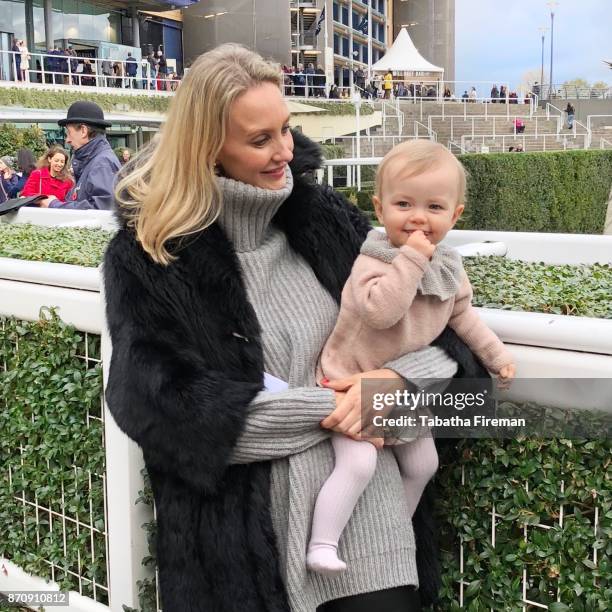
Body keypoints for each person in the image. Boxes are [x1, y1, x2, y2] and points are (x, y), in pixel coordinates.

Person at [103, 44, 485, 612]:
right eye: (260, 139)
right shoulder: (149, 256)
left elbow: (445, 336)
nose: (284, 151)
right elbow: (162, 410)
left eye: (287, 129)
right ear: (207, 147)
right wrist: (332, 409)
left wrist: (395, 389)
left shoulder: (328, 220)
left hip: (373, 534)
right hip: (248, 553)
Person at [306, 142, 516, 576]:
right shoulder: (375, 259)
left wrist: (497, 358)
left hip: (398, 391)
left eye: (434, 207)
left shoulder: (448, 269)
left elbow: (464, 319)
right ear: (380, 210)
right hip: (349, 383)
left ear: (455, 216)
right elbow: (382, 310)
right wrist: (413, 260)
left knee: (425, 463)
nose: (418, 217)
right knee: (358, 463)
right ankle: (322, 543)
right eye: (404, 204)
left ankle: (395, 533)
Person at [36, 101, 120, 209]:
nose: (67, 140)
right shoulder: (93, 160)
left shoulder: (102, 163)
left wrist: (55, 205)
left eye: (69, 133)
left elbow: (102, 210)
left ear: (83, 131)